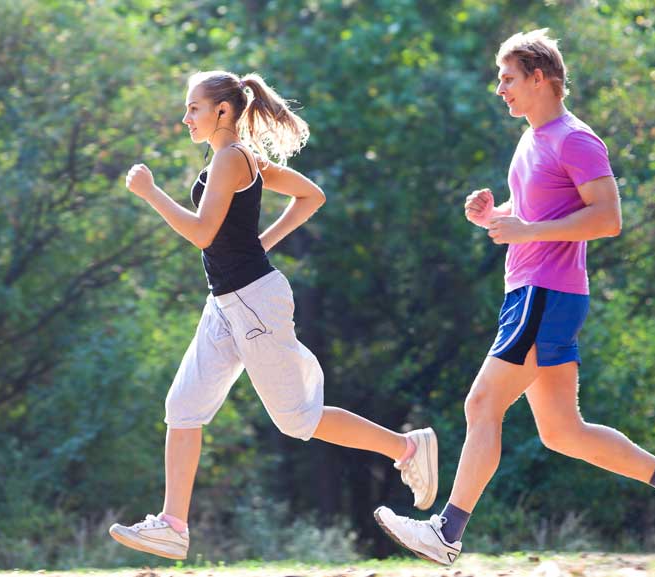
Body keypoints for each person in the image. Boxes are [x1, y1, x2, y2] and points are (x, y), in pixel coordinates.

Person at [373, 29, 655, 566]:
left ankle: (447, 532)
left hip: (546, 293)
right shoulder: (533, 138)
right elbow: (539, 211)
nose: (499, 89)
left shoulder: (575, 139)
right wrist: (495, 215)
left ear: (541, 78)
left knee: (481, 404)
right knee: (561, 431)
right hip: (534, 293)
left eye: (507, 78)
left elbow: (607, 218)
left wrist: (526, 233)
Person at [108, 70, 438, 560]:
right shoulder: (240, 159)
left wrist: (152, 193)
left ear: (223, 111)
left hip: (253, 301)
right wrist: (258, 245)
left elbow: (202, 233)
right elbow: (311, 196)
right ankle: (173, 525)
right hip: (226, 300)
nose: (185, 118)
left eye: (193, 108)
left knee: (297, 418)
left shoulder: (230, 159)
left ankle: (406, 449)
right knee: (183, 408)